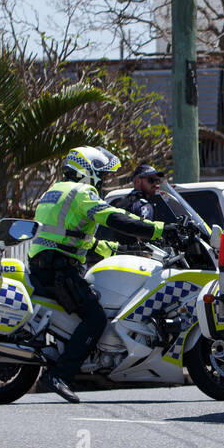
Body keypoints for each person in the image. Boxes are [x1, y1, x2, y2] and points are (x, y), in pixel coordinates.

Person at [29, 147, 168, 403]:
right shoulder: (83, 192)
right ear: (87, 173)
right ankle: (59, 375)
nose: (102, 182)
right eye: (101, 176)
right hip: (59, 266)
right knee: (95, 318)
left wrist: (118, 249)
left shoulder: (53, 191)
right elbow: (114, 218)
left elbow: (73, 236)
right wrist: (161, 230)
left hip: (44, 263)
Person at [91, 163, 176, 264]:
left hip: (121, 258)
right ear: (137, 181)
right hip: (137, 260)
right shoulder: (142, 204)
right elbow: (142, 236)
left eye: (157, 180)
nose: (155, 184)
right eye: (151, 180)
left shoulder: (125, 200)